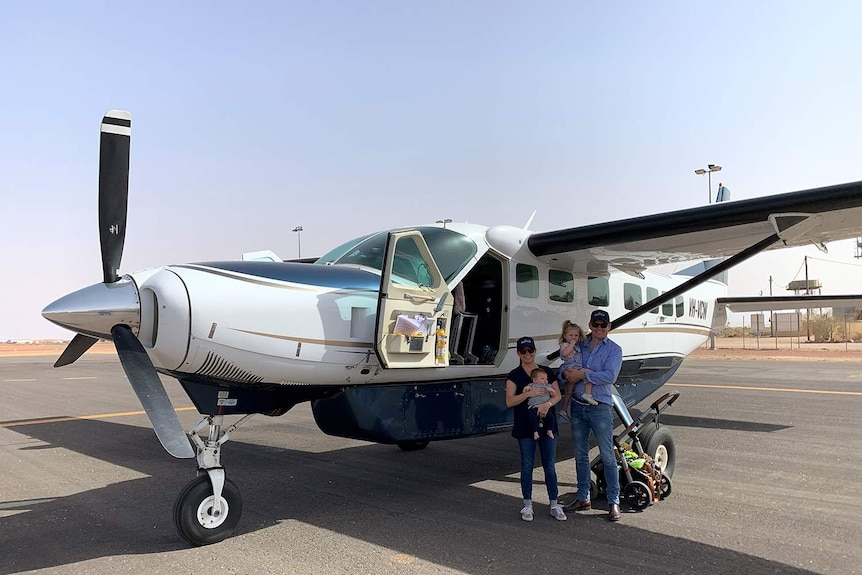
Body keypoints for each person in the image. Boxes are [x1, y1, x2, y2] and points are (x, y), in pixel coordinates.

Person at [561, 310, 624, 522]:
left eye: (603, 325)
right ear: (590, 324)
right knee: (580, 455)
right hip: (578, 406)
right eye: (596, 324)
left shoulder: (614, 350)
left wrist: (583, 375)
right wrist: (565, 374)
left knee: (607, 455)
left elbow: (610, 376)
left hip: (600, 407)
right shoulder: (579, 345)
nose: (599, 328)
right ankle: (583, 497)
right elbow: (565, 364)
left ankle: (613, 501)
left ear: (609, 327)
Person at [505, 336, 567, 522]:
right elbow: (509, 401)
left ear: (534, 351)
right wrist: (529, 394)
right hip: (525, 426)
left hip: (548, 423)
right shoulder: (514, 375)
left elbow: (557, 395)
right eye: (523, 351)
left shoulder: (546, 371)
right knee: (527, 465)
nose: (527, 354)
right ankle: (527, 505)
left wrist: (547, 404)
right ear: (518, 353)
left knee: (549, 465)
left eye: (530, 351)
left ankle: (554, 504)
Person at [557, 320, 596, 414]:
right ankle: (587, 393)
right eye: (571, 335)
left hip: (576, 368)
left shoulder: (577, 346)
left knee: (569, 392)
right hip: (572, 368)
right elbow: (565, 353)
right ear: (565, 336)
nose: (573, 338)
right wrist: (571, 344)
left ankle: (564, 410)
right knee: (590, 372)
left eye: (576, 335)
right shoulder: (565, 345)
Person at [526, 368, 556, 440]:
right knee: (531, 417)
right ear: (534, 380)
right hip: (533, 406)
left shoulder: (548, 386)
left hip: (545, 406)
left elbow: (554, 394)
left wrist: (551, 390)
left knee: (550, 417)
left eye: (546, 379)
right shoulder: (532, 385)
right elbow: (526, 390)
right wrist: (526, 389)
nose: (545, 380)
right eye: (542, 378)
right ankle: (535, 432)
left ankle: (549, 430)